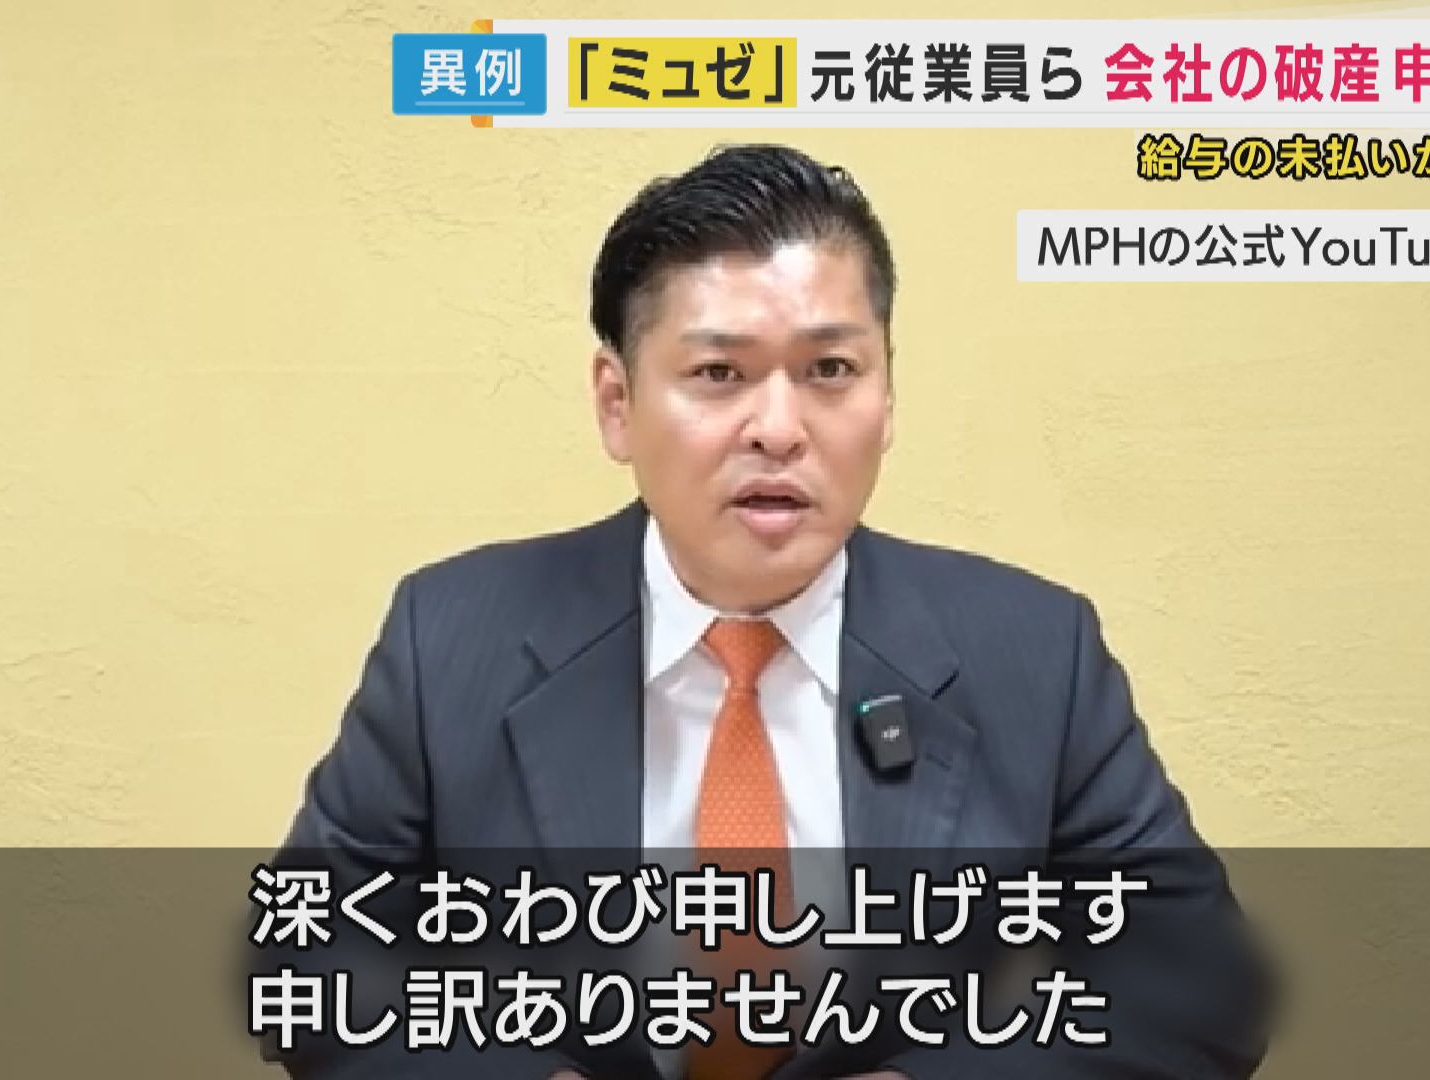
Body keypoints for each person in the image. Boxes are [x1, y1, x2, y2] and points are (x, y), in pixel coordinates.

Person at [254, 144, 1273, 1079]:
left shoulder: (1034, 653)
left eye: (831, 370)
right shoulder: (453, 637)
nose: (779, 429)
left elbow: (1199, 986)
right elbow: (307, 959)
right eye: (718, 374)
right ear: (617, 403)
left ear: (887, 396)